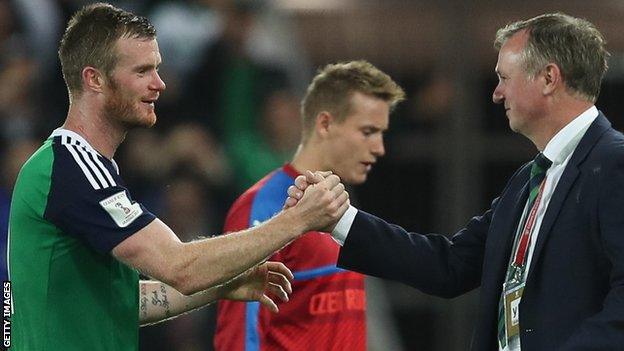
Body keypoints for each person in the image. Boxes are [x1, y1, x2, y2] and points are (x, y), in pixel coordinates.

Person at [7, 3, 349, 351]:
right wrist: (298, 219)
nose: (159, 84)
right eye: (142, 71)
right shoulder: (71, 168)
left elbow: (121, 301)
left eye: (156, 68)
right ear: (94, 79)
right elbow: (179, 265)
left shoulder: (77, 168)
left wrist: (223, 285)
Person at [288, 13, 624, 351]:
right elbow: (449, 266)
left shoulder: (614, 164)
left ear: (549, 78)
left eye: (504, 78)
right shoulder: (528, 181)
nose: (496, 93)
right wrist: (339, 218)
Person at [214, 60, 405, 351]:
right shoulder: (261, 206)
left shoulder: (344, 209)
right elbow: (238, 340)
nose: (379, 148)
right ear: (325, 123)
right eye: (367, 132)